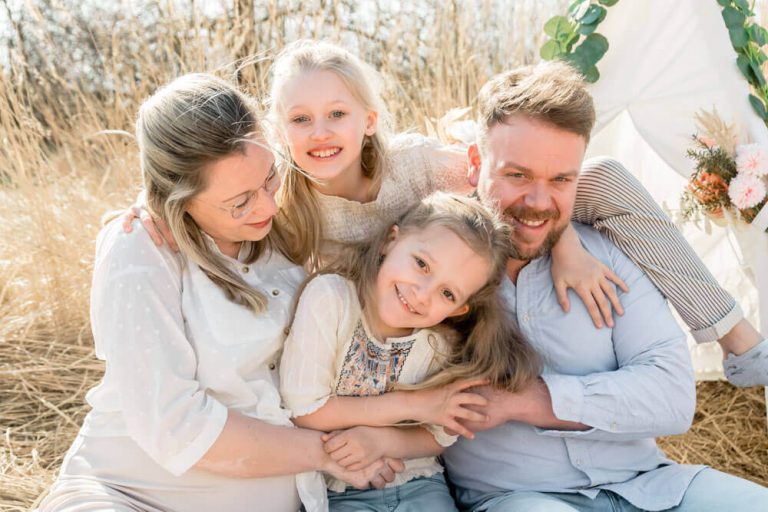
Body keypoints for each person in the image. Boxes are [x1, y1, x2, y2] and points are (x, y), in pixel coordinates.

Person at [132, 39, 766, 385]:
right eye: (300, 119)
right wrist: (147, 203)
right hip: (396, 337)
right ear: (277, 129)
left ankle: (736, 338)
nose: (320, 133)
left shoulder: (418, 165)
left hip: (455, 289)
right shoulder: (286, 206)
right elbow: (209, 179)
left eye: (337, 114)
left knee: (611, 181)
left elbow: (522, 191)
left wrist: (565, 238)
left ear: (369, 120)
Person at [37, 73, 403, 512]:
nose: (267, 205)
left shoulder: (288, 224)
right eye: (239, 201)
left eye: (270, 178)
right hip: (130, 495)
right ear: (177, 198)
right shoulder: (144, 247)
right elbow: (176, 425)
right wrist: (329, 453)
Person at [442, 61, 768, 512]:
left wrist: (528, 399)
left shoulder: (611, 252)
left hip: (651, 486)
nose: (538, 202)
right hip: (519, 498)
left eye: (561, 179)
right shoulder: (434, 263)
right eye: (517, 175)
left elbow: (672, 399)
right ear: (475, 163)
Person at [279, 192, 540, 511]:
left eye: (447, 293)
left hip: (419, 484)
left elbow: (440, 435)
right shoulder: (331, 299)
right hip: (339, 490)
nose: (422, 294)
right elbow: (304, 409)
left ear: (459, 309)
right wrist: (413, 404)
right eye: (421, 264)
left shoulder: (438, 343)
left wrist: (382, 441)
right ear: (392, 239)